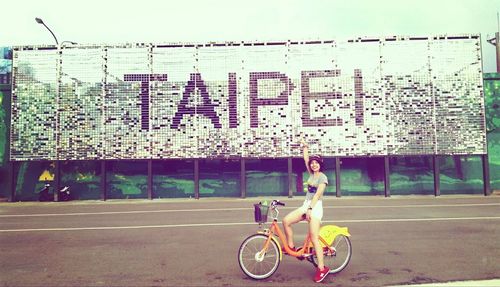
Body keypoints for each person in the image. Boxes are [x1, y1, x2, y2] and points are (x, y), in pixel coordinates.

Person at [282, 139, 330, 283]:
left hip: (315, 208)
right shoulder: (311, 174)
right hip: (306, 205)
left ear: (320, 165)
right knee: (286, 221)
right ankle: (291, 247)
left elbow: (317, 195)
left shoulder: (323, 177)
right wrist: (305, 147)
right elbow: (305, 159)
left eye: (316, 163)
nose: (313, 164)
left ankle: (322, 268)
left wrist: (309, 209)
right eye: (312, 163)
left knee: (314, 238)